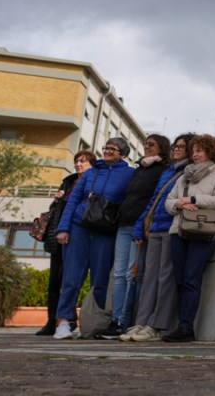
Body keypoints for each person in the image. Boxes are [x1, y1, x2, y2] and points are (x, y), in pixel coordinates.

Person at [52, 137, 135, 340]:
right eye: (106, 148)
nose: (107, 151)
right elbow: (73, 201)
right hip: (79, 227)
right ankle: (63, 322)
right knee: (71, 278)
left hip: (105, 232)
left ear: (123, 154)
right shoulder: (91, 172)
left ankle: (93, 322)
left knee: (100, 281)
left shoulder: (130, 175)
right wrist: (63, 228)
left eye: (113, 149)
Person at [93, 134, 170, 339]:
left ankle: (126, 321)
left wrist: (143, 224)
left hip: (141, 226)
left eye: (151, 144)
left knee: (132, 274)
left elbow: (154, 199)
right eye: (145, 144)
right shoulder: (140, 169)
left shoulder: (161, 170)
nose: (146, 147)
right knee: (119, 274)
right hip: (124, 224)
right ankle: (116, 319)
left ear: (161, 148)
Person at [121, 133, 195, 342]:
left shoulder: (189, 172)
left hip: (173, 228)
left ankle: (157, 325)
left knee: (166, 278)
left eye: (182, 146)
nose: (177, 149)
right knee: (149, 278)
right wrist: (139, 226)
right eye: (175, 146)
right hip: (154, 228)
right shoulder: (168, 172)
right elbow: (155, 200)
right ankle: (142, 322)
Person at [162, 134, 215, 342]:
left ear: (210, 152)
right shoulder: (184, 177)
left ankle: (186, 327)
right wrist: (180, 204)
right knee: (180, 279)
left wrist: (193, 199)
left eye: (199, 150)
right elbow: (168, 202)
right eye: (193, 151)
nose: (195, 154)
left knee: (192, 278)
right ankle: (181, 325)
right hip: (179, 230)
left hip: (204, 232)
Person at [35, 150, 95, 336]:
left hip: (78, 235)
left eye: (83, 162)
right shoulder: (68, 181)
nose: (78, 164)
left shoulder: (94, 181)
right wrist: (56, 200)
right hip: (58, 236)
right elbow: (56, 210)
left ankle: (70, 321)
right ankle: (52, 321)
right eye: (77, 161)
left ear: (92, 165)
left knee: (70, 278)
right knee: (55, 281)